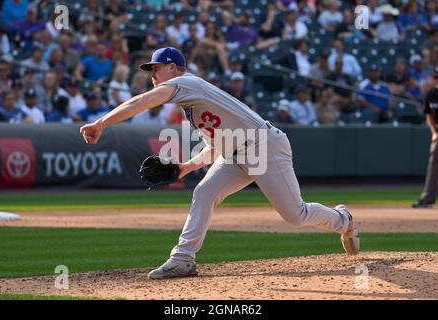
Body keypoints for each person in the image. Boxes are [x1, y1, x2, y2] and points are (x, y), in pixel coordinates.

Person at [79, 47, 360, 279]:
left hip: (265, 148)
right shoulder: (190, 104)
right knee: (204, 192)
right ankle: (183, 259)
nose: (152, 74)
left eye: (156, 68)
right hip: (237, 153)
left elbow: (143, 101)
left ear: (173, 68)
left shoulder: (185, 84)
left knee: (295, 215)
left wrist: (102, 123)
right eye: (150, 69)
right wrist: (184, 168)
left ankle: (342, 219)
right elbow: (220, 144)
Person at [413, 67, 438, 208]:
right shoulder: (431, 94)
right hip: (437, 132)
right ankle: (427, 199)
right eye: (436, 77)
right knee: (433, 164)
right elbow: (428, 115)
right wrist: (434, 132)